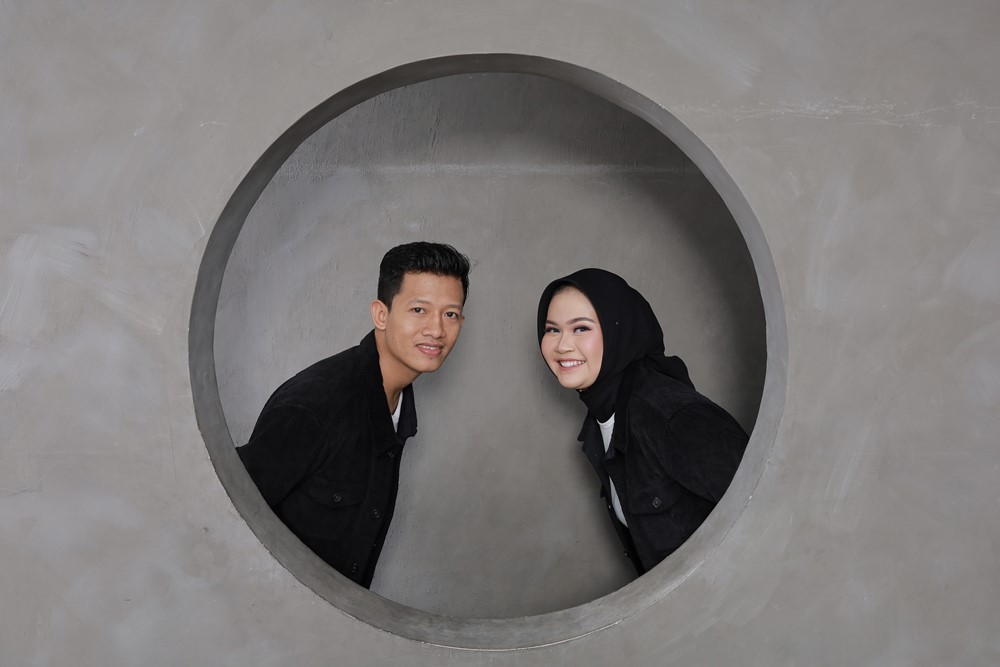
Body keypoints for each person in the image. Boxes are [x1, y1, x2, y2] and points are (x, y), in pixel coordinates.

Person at [238, 242, 470, 587]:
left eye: (450, 314)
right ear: (381, 315)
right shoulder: (315, 405)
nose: (436, 329)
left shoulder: (397, 402)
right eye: (419, 309)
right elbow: (223, 516)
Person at [537, 268, 748, 575]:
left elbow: (768, 516)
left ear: (620, 331)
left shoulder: (672, 416)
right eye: (552, 330)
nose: (561, 345)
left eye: (580, 328)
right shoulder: (601, 424)